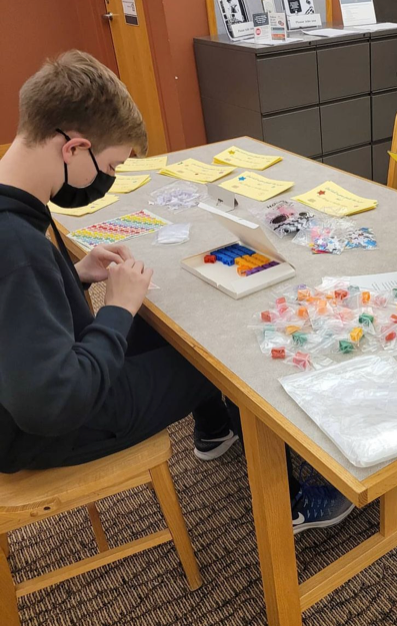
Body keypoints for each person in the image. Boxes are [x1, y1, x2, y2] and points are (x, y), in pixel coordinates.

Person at [0, 50, 353, 534]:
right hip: (54, 425)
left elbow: (20, 317)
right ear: (74, 148)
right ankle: (289, 503)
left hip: (32, 392)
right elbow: (54, 403)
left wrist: (74, 274)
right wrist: (117, 309)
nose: (109, 178)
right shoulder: (15, 248)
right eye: (111, 164)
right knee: (226, 351)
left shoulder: (12, 216)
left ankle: (212, 430)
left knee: (166, 317)